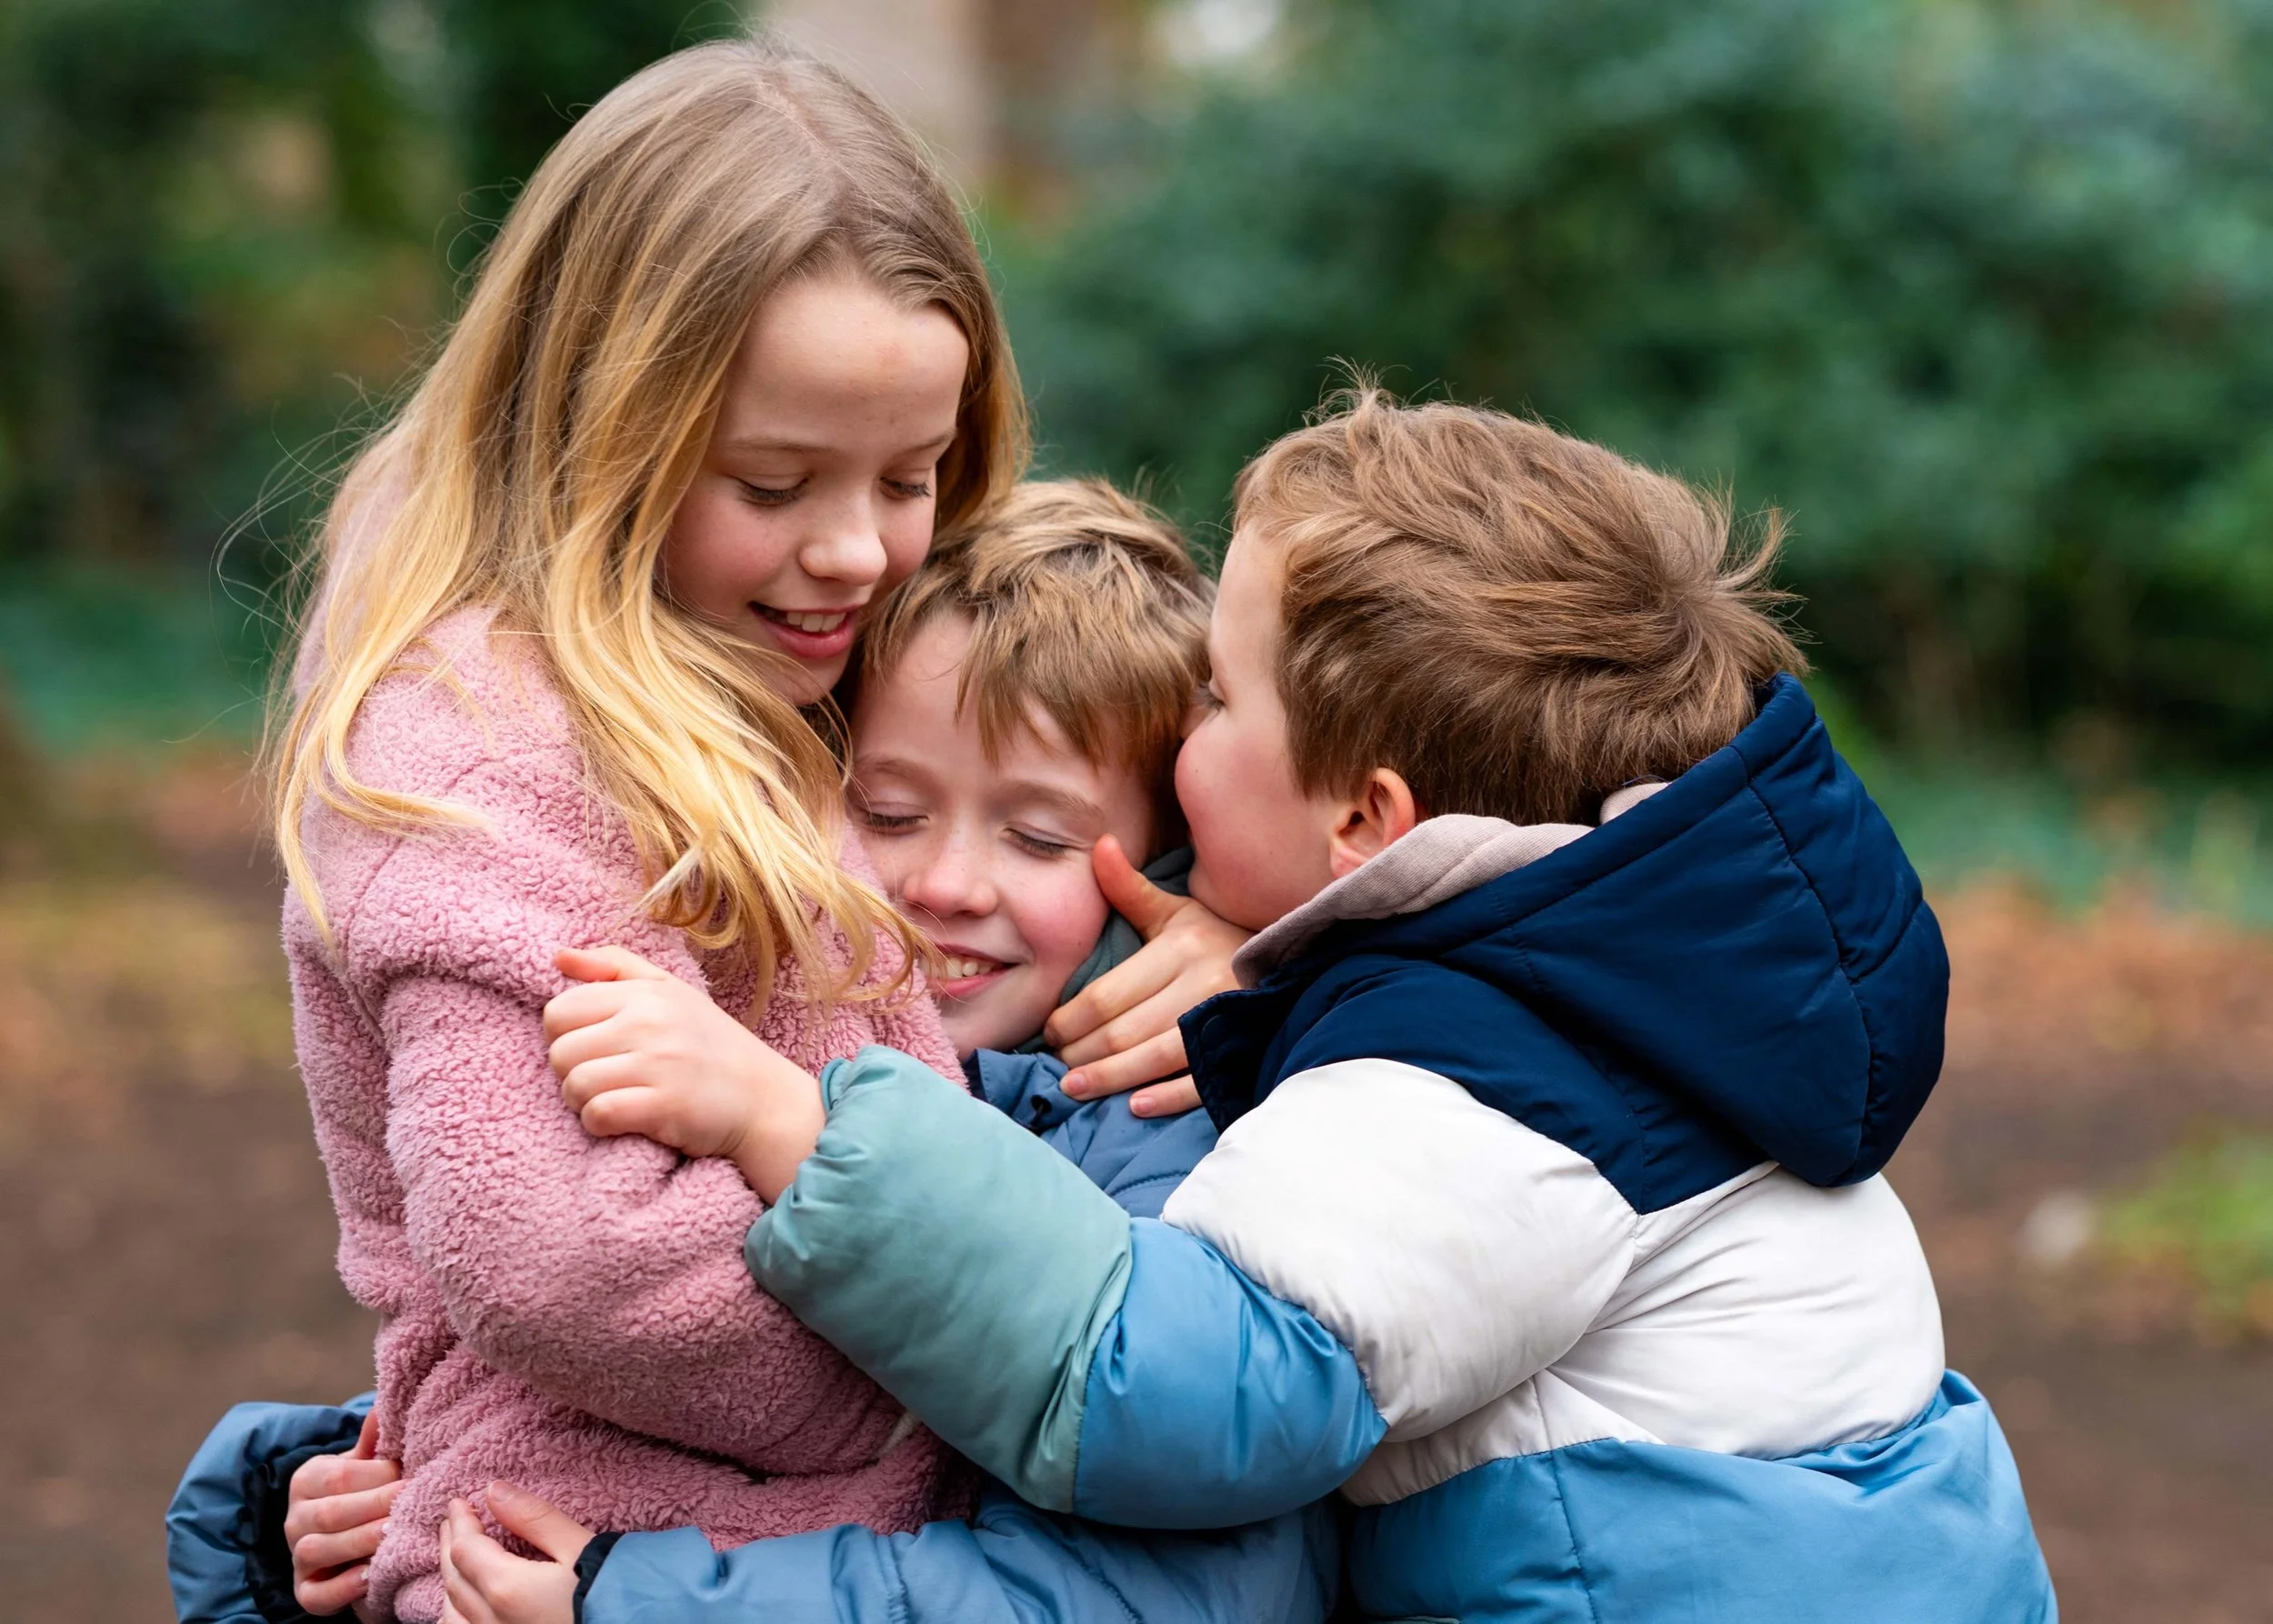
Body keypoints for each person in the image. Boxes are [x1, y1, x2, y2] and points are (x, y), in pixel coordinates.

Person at [536, 390, 2061, 1620]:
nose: (1182, 746)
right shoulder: (1624, 963)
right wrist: (1253, 966)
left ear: (1365, 824)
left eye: (1212, 698)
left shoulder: (1468, 1094)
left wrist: (796, 1124)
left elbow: (1167, 1384)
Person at [169, 481, 1328, 1624]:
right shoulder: (774, 1019)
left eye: (1036, 836)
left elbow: (1118, 1571)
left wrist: (634, 1598)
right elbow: (646, 1375)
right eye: (885, 812)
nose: (942, 885)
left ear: (1162, 865)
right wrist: (355, 1473)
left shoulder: (1159, 1128)